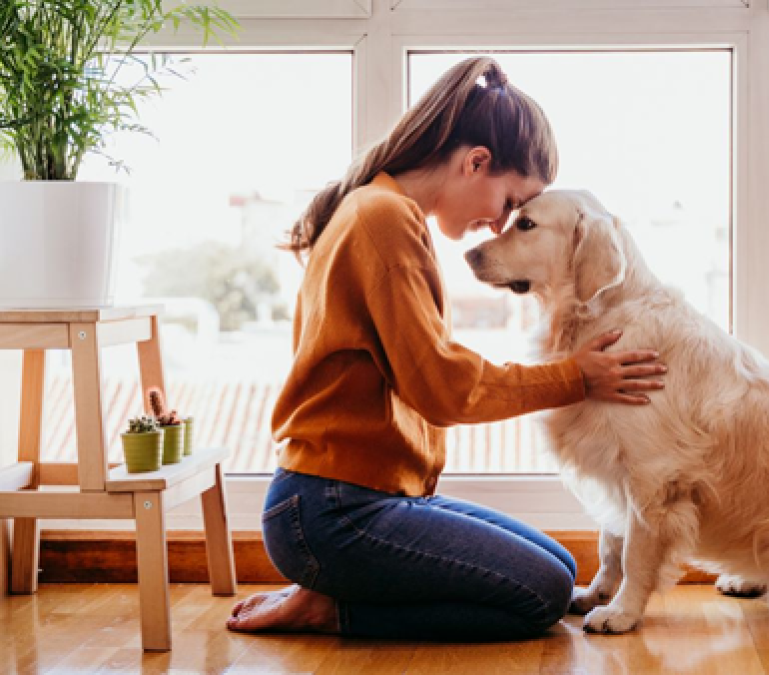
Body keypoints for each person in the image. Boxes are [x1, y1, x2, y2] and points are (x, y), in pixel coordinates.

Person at [225, 57, 667, 641]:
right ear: (475, 161)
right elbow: (442, 388)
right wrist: (576, 377)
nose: (498, 225)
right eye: (510, 203)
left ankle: (333, 587)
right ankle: (331, 607)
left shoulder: (382, 209)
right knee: (541, 594)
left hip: (359, 500)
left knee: (560, 569)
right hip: (331, 512)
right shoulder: (383, 220)